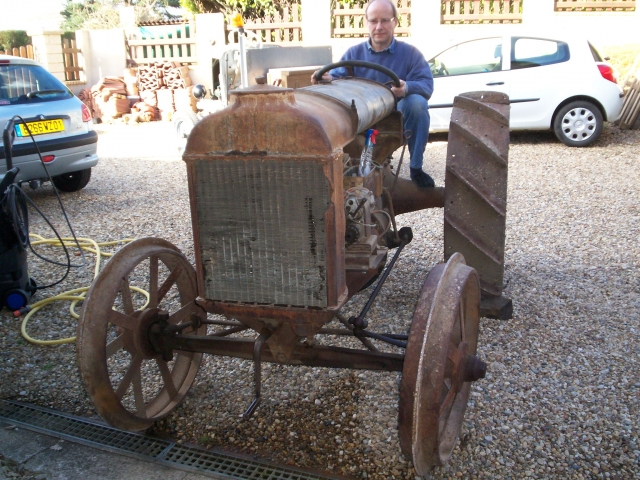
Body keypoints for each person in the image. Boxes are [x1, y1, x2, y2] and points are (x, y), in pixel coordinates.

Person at [311, 0, 435, 188]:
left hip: (395, 116)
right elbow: (336, 77)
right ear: (366, 22)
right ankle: (329, 171)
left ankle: (416, 167)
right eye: (374, 21)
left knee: (417, 104)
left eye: (385, 20)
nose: (379, 27)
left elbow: (426, 84)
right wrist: (325, 78)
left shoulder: (410, 54)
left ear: (395, 22)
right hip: (363, 115)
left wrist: (406, 88)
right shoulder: (354, 53)